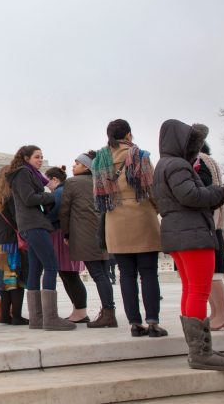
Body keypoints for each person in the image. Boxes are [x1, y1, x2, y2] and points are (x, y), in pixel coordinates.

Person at [153, 119, 224, 371]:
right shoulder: (179, 165)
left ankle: (198, 349)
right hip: (192, 234)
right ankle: (200, 353)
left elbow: (179, 199)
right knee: (199, 291)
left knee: (190, 289)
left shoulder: (163, 165)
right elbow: (190, 196)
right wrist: (220, 192)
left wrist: (214, 196)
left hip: (178, 233)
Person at [92, 119, 167, 338]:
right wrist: (158, 210)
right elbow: (151, 189)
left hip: (115, 219)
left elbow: (98, 195)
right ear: (129, 135)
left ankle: (135, 323)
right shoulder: (139, 155)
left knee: (126, 275)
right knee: (149, 272)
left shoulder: (101, 159)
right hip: (142, 216)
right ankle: (152, 321)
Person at [7, 146, 75, 331]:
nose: (40, 160)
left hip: (31, 224)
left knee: (35, 269)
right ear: (26, 158)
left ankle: (37, 319)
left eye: (42, 157)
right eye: (37, 157)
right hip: (34, 224)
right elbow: (29, 198)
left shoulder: (27, 174)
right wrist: (50, 196)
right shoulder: (22, 174)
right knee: (51, 265)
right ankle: (50, 318)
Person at [60, 152, 117, 328]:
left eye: (76, 163)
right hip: (103, 233)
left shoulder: (72, 182)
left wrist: (66, 234)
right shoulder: (102, 180)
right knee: (103, 275)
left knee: (98, 275)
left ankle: (108, 313)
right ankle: (108, 311)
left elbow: (65, 211)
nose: (73, 166)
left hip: (84, 234)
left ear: (86, 166)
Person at [197, 144, 224, 331]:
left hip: (207, 223)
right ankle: (218, 313)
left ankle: (223, 314)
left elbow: (203, 189)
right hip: (211, 223)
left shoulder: (200, 161)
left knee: (212, 273)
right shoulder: (206, 161)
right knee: (209, 273)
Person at [0, 167, 28, 326]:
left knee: (5, 282)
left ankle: (5, 315)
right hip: (11, 242)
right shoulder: (9, 196)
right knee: (15, 281)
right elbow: (18, 219)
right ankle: (16, 316)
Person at [45, 166, 89, 323]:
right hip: (64, 235)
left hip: (61, 236)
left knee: (69, 275)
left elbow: (54, 214)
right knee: (68, 275)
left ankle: (81, 311)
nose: (46, 185)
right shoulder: (65, 190)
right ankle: (78, 310)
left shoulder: (58, 192)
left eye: (47, 181)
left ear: (54, 179)